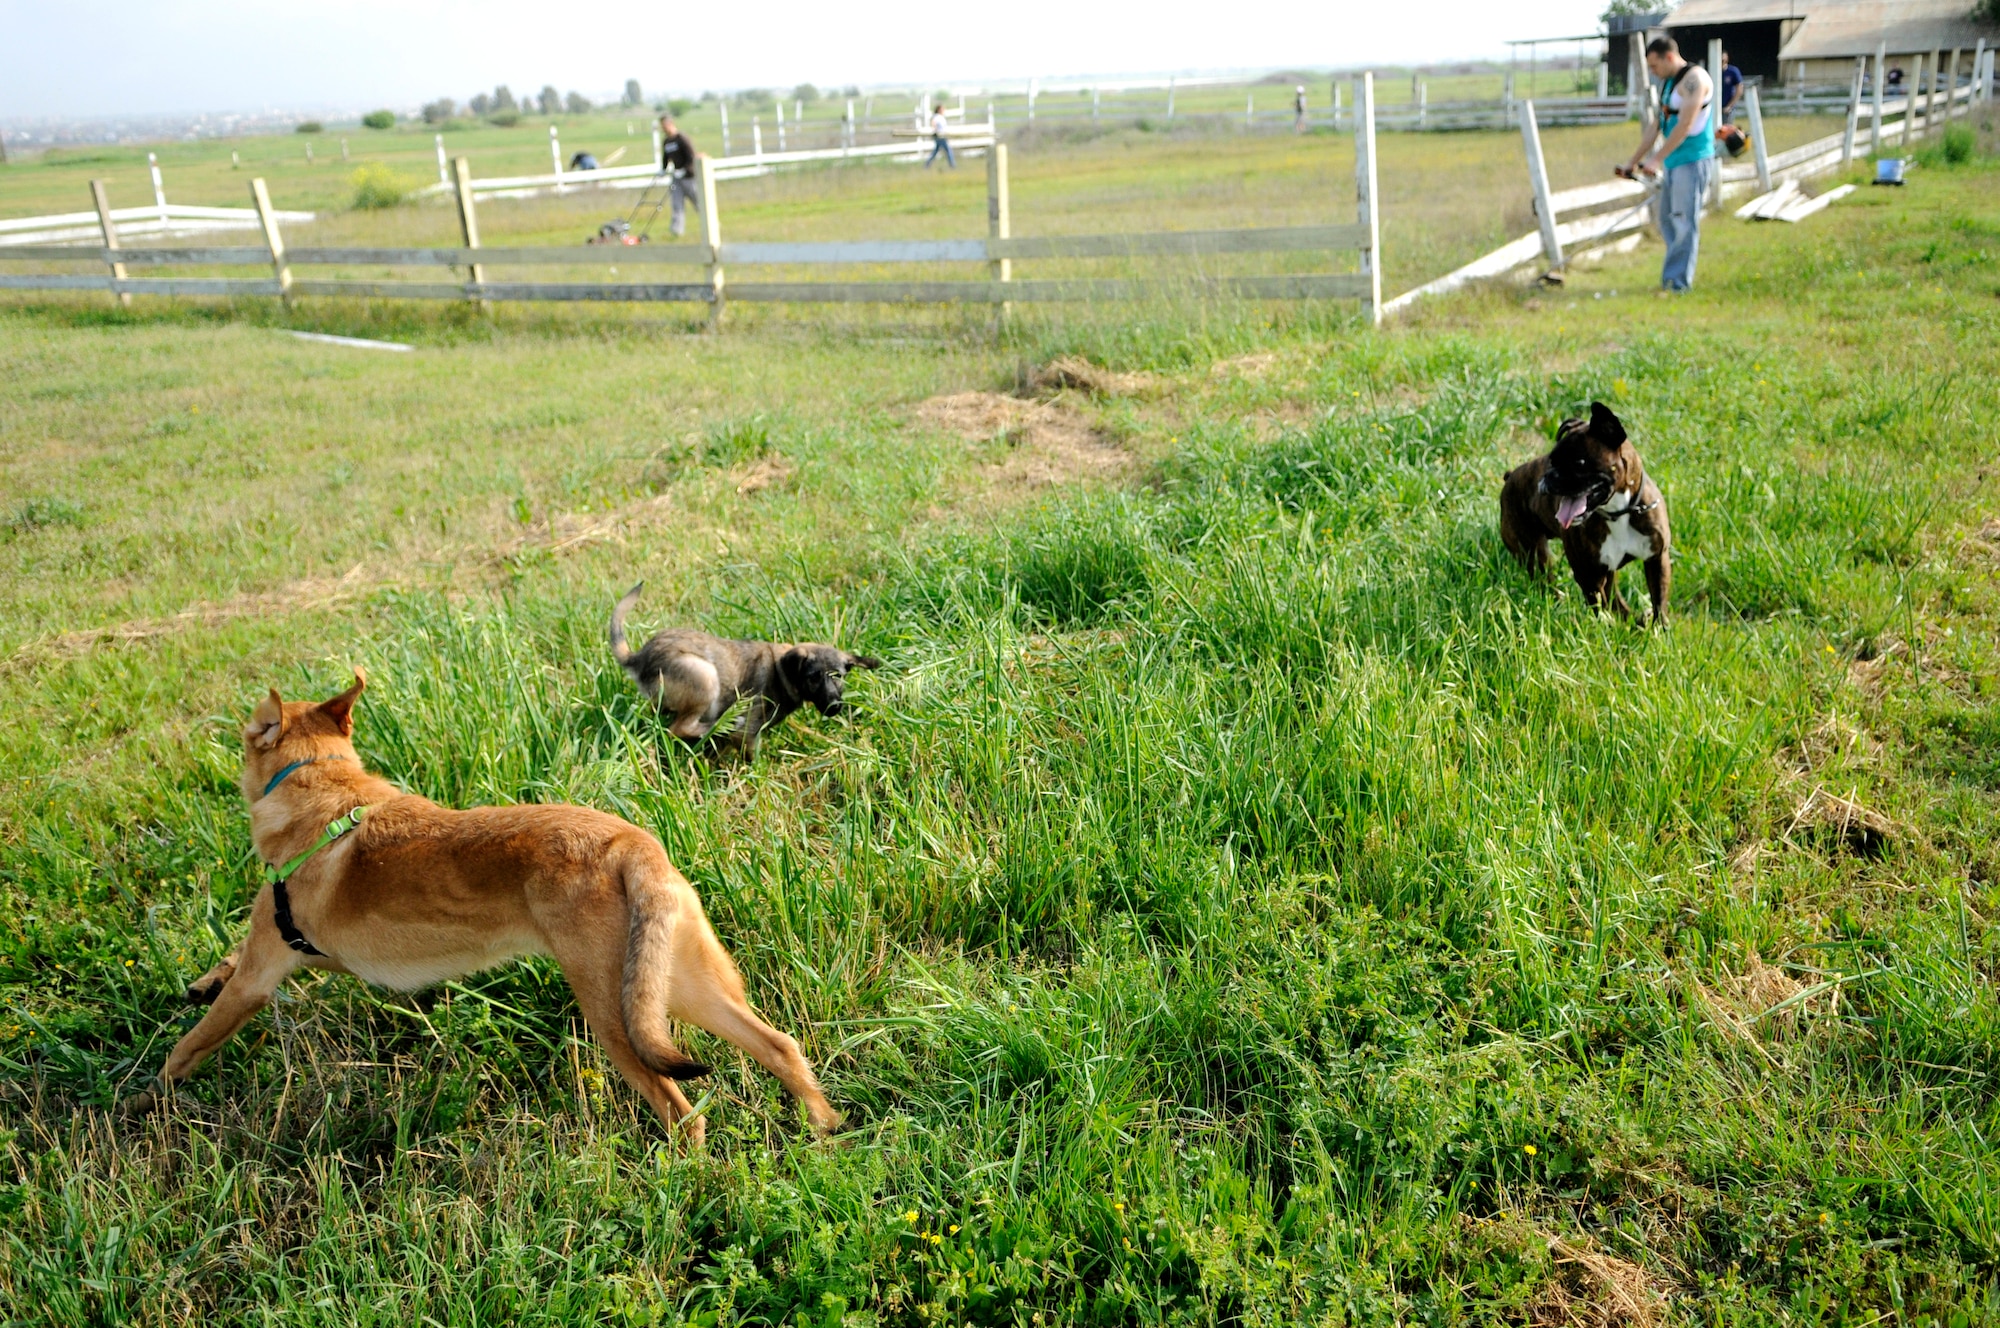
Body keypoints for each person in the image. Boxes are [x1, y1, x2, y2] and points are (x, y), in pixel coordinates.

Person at [1621, 35, 1716, 293]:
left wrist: (1656, 159)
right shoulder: (1669, 83)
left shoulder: (1696, 80)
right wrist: (1633, 161)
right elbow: (1657, 125)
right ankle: (1672, 277)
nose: (1653, 71)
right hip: (1674, 162)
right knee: (1667, 220)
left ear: (1670, 57)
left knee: (1684, 221)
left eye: (1655, 66)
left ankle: (1677, 284)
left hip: (1693, 160)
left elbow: (1685, 125)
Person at [656, 114, 705, 239]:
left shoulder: (681, 138)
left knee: (699, 202)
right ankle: (676, 231)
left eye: (664, 126)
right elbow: (666, 158)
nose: (663, 129)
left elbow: (691, 156)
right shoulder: (666, 141)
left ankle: (710, 224)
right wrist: (663, 169)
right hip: (676, 177)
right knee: (676, 203)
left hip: (689, 177)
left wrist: (685, 170)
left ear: (670, 124)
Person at [925, 103, 955, 169]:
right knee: (948, 150)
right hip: (940, 136)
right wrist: (935, 130)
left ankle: (927, 164)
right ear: (939, 110)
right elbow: (933, 123)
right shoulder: (937, 117)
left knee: (935, 152)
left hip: (942, 135)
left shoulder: (941, 117)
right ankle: (952, 165)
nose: (943, 110)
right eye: (942, 109)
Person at [1717, 49, 1743, 123]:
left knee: (1726, 130)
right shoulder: (1713, 71)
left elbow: (1739, 89)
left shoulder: (1732, 71)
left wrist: (1729, 106)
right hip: (1715, 107)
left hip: (1727, 107)